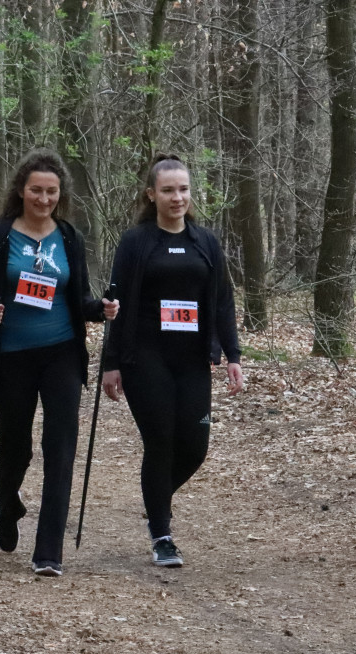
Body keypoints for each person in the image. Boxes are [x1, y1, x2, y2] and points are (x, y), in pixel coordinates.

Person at [0, 148, 118, 577]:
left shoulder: (68, 237)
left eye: (51, 191)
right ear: (21, 190)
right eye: (36, 190)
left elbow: (79, 298)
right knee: (16, 448)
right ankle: (7, 503)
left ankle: (49, 550)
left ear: (60, 194)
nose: (44, 199)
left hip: (62, 353)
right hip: (11, 355)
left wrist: (101, 309)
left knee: (61, 447)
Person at [101, 153, 243, 568]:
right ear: (151, 194)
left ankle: (156, 501)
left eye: (183, 189)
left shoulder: (205, 242)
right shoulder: (136, 241)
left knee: (194, 446)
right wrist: (110, 362)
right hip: (145, 356)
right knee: (160, 440)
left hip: (193, 358)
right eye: (167, 190)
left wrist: (233, 355)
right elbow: (116, 304)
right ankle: (162, 535)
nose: (177, 197)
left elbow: (223, 301)